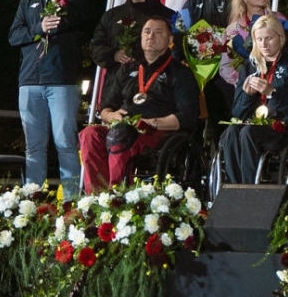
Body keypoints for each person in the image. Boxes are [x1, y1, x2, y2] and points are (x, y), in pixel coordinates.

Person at [7, 0, 94, 194]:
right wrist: (37, 29)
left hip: (61, 80)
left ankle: (72, 202)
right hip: (29, 81)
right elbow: (14, 36)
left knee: (65, 143)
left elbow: (65, 24)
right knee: (33, 147)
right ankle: (31, 200)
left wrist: (46, 27)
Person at [79, 17, 199, 193]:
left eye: (159, 33)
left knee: (120, 133)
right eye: (147, 32)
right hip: (122, 126)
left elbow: (188, 115)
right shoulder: (127, 68)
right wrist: (112, 116)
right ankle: (96, 197)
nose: (151, 36)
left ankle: (117, 196)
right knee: (90, 134)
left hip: (156, 130)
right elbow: (105, 108)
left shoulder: (180, 73)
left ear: (170, 40)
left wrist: (155, 121)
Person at [220, 15, 288, 185]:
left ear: (280, 37)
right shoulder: (249, 67)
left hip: (283, 126)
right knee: (232, 130)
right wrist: (247, 96)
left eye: (269, 38)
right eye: (259, 39)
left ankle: (249, 189)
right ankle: (234, 186)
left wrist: (272, 93)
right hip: (253, 124)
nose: (264, 44)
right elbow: (237, 112)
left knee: (248, 133)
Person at [90, 0, 174, 79]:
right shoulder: (112, 15)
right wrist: (114, 55)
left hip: (152, 81)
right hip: (116, 83)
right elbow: (96, 46)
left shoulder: (166, 15)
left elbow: (175, 49)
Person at [222, 0, 288, 89]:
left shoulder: (280, 20)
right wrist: (244, 81)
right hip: (246, 89)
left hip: (278, 86)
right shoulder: (232, 30)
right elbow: (225, 66)